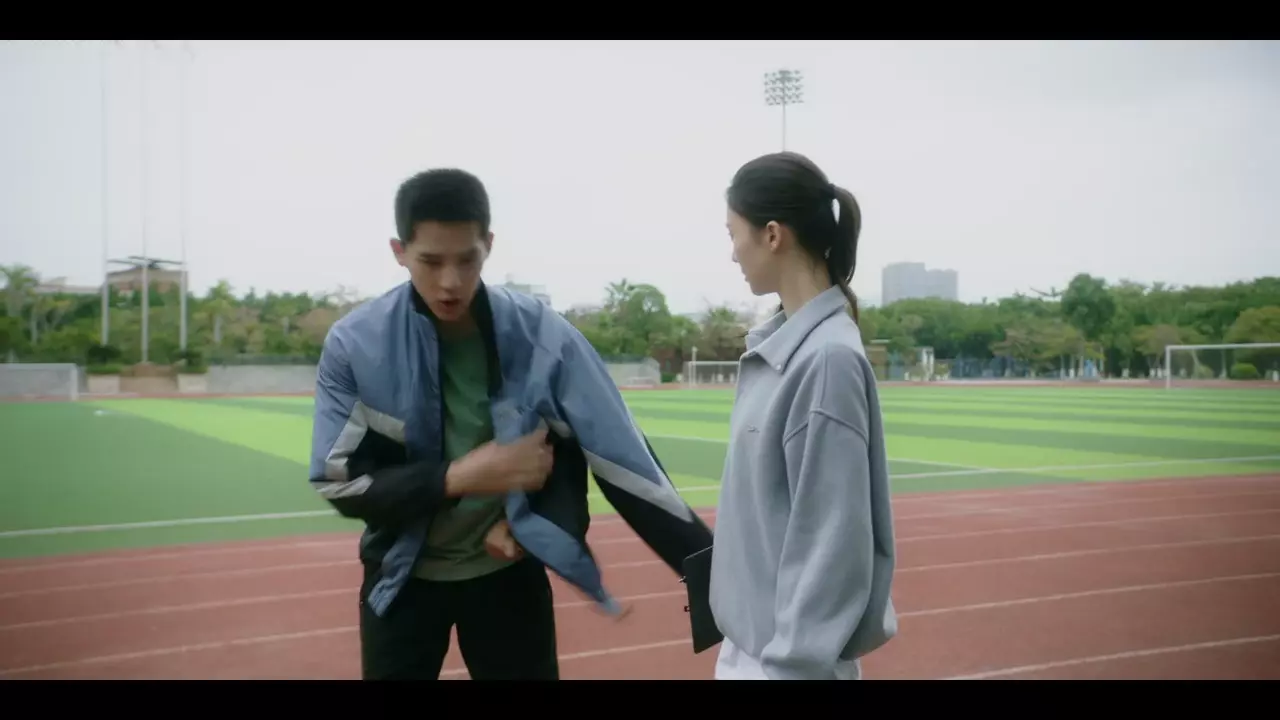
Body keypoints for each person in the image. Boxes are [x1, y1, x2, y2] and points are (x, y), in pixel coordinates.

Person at [308, 168, 713, 681]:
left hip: (508, 578)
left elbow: (621, 460)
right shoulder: (355, 345)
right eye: (431, 261)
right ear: (399, 251)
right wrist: (461, 477)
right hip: (400, 580)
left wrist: (716, 577)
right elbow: (339, 481)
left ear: (489, 246)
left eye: (467, 259)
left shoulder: (545, 336)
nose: (450, 281)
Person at [707, 151, 898, 680]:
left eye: (733, 234)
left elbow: (831, 546)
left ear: (772, 235)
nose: (732, 253)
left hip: (783, 667)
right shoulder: (785, 350)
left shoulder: (827, 359)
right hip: (754, 649)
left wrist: (791, 668)